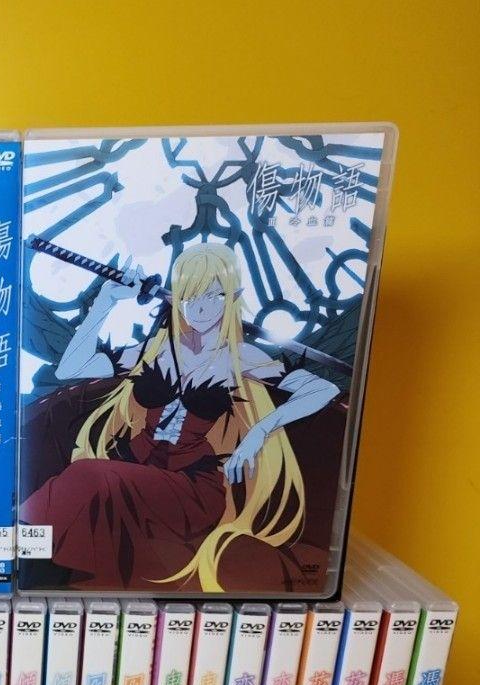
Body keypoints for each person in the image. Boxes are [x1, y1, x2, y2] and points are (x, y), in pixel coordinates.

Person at [20, 242, 339, 592]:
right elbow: (71, 369)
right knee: (87, 482)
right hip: (136, 465)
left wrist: (260, 431)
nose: (201, 307)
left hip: (192, 486)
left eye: (215, 295)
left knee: (89, 475)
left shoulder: (241, 357)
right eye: (191, 295)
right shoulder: (155, 350)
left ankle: (27, 557)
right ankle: (28, 562)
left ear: (233, 297)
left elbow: (322, 389)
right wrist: (106, 301)